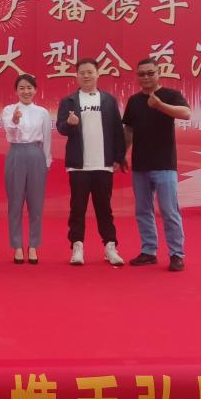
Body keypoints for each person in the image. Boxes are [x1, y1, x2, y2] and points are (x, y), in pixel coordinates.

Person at [56, 58, 127, 266]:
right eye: (82, 72)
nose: (86, 76)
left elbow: (117, 131)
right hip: (79, 164)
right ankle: (77, 246)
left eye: (90, 72)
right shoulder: (69, 101)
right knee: (77, 208)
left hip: (103, 163)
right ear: (76, 76)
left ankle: (110, 247)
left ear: (97, 74)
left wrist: (118, 157)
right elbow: (61, 128)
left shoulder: (109, 100)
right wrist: (70, 124)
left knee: (104, 207)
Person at [123, 57, 191, 272]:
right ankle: (149, 251)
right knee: (143, 210)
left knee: (169, 211)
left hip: (164, 165)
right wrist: (122, 153)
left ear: (158, 73)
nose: (146, 77)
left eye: (150, 73)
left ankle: (176, 254)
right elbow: (129, 130)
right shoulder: (134, 101)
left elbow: (186, 114)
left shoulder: (171, 95)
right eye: (141, 74)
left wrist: (160, 105)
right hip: (140, 165)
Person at [2, 74, 51, 264]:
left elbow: (46, 139)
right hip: (16, 153)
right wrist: (15, 120)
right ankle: (17, 246)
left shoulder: (42, 112)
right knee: (15, 203)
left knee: (36, 204)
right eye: (22, 88)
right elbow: (10, 132)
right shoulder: (9, 110)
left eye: (29, 88)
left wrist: (46, 161)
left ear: (35, 90)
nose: (26, 91)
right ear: (16, 91)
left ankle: (33, 246)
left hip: (36, 155)